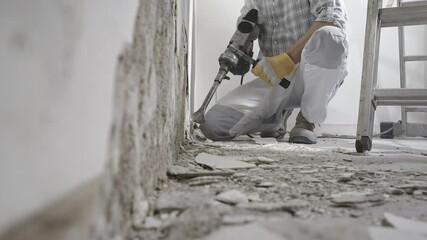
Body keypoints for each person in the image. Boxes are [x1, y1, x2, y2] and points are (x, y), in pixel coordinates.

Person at [200, 0, 348, 144]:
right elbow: (246, 24)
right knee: (213, 125)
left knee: (331, 35)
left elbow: (332, 18)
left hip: (311, 73)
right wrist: (243, 47)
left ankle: (307, 120)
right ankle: (274, 118)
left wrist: (286, 60)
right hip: (273, 77)